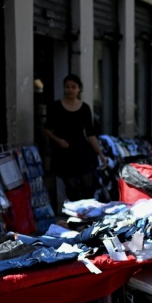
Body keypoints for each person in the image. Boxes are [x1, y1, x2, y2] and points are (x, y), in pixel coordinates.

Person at [43, 74, 108, 206]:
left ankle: (88, 215)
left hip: (82, 151)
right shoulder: (56, 107)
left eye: (73, 87)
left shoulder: (84, 108)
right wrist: (58, 140)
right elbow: (47, 129)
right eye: (67, 87)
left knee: (88, 186)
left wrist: (100, 154)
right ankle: (76, 216)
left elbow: (90, 134)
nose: (70, 90)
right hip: (64, 152)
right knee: (71, 188)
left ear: (79, 89)